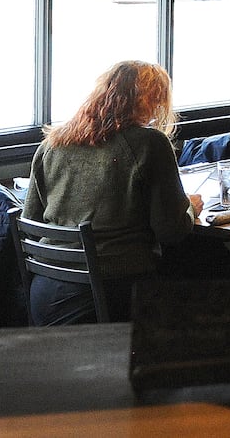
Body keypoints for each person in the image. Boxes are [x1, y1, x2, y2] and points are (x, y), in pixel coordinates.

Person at [22, 61, 202, 325]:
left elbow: (31, 223)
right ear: (151, 100)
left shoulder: (52, 144)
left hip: (45, 294)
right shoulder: (150, 144)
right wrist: (190, 207)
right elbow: (171, 231)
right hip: (112, 293)